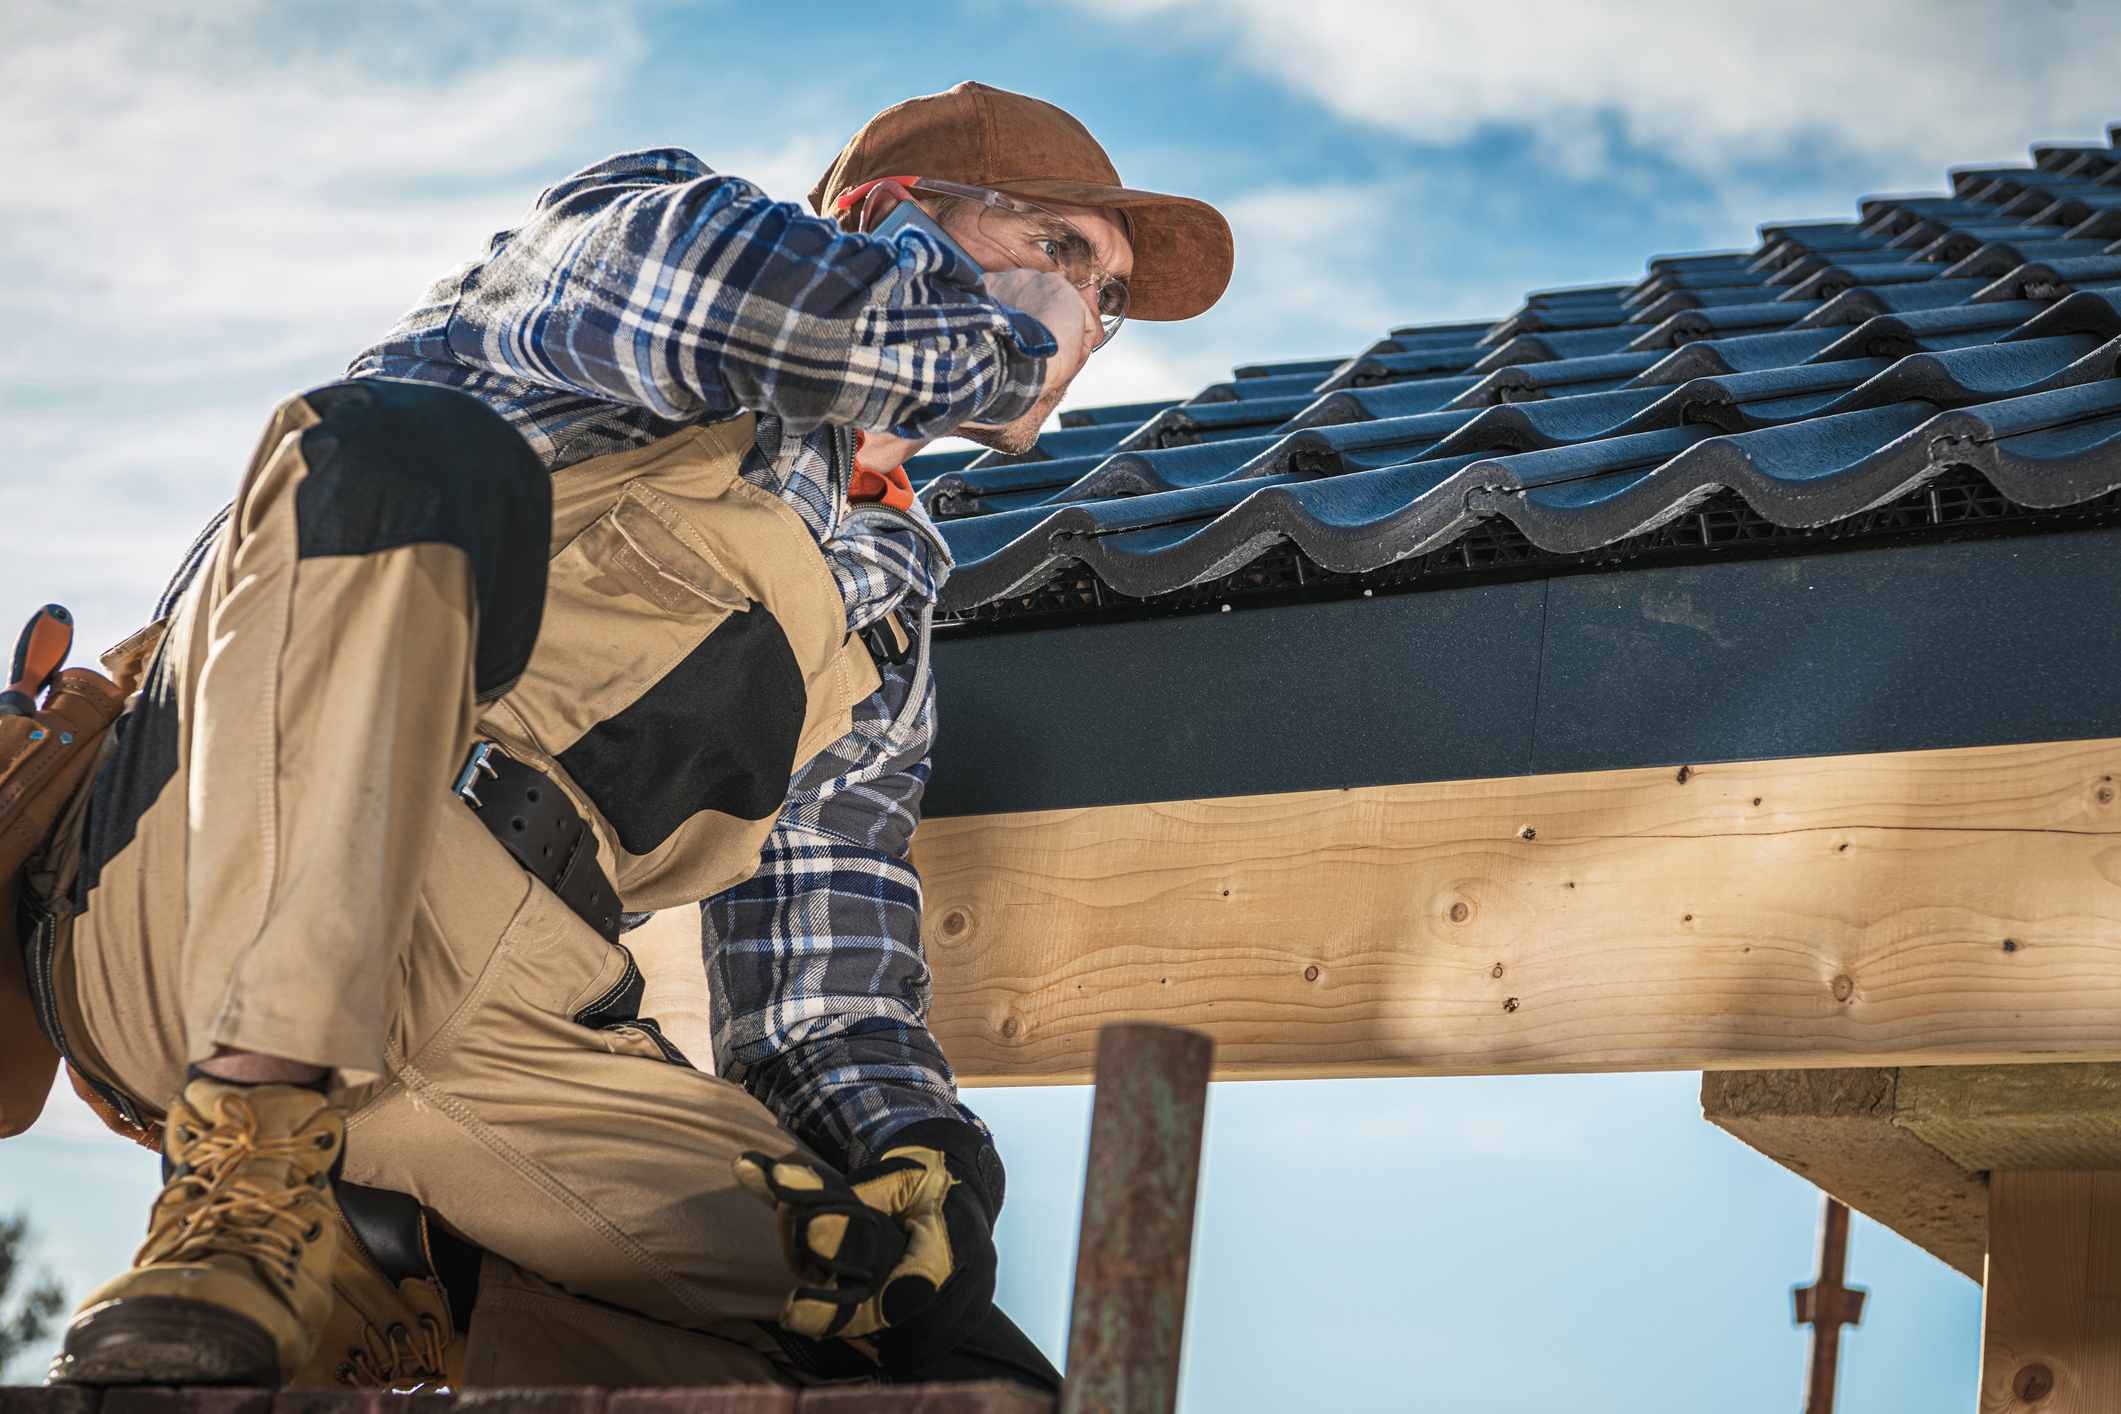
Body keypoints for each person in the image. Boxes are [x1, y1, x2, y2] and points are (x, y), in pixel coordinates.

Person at [26, 81, 1230, 1390]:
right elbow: (741, 295)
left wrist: (921, 1146)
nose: (1088, 317)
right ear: (890, 216)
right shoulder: (635, 244)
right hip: (206, 896)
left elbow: (818, 1000)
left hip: (513, 1033)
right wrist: (992, 339)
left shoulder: (885, 610)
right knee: (390, 453)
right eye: (1058, 248)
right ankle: (241, 1183)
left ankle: (374, 1263)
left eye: (1105, 296)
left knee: (914, 1335)